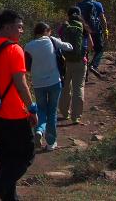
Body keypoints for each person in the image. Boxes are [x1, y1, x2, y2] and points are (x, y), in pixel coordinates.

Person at [0, 10, 38, 201]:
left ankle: (9, 197)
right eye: (19, 26)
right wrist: (32, 108)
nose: (22, 30)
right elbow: (20, 83)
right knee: (26, 155)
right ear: (7, 27)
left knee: (6, 154)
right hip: (13, 113)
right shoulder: (14, 49)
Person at [24, 21, 72, 151]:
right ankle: (51, 143)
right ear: (47, 31)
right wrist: (60, 41)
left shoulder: (28, 46)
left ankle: (39, 131)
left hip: (38, 83)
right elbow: (69, 47)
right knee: (52, 112)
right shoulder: (52, 40)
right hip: (54, 82)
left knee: (41, 110)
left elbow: (26, 64)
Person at [58, 7, 93, 123]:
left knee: (65, 87)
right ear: (79, 14)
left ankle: (64, 112)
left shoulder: (64, 27)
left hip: (66, 61)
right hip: (80, 62)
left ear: (68, 15)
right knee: (78, 87)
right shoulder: (84, 28)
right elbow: (91, 46)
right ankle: (76, 116)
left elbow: (59, 43)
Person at [76, 0, 109, 76]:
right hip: (96, 31)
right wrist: (106, 30)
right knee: (99, 50)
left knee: (85, 51)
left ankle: (85, 74)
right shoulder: (98, 4)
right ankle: (94, 65)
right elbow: (103, 18)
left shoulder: (78, 5)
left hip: (83, 32)